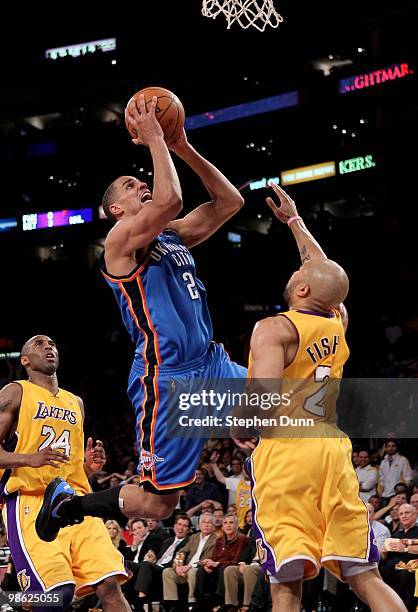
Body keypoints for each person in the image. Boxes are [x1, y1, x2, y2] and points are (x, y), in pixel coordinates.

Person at [36, 93, 246, 543]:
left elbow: (229, 202)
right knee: (159, 505)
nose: (141, 185)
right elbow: (170, 197)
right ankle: (70, 504)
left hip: (211, 363)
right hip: (166, 378)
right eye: (131, 185)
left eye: (140, 182)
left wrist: (182, 144)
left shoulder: (171, 235)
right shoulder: (119, 241)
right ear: (116, 209)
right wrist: (156, 140)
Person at [234, 184, 407, 612]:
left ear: (305, 291)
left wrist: (239, 424)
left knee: (286, 581)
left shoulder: (274, 329)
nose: (296, 271)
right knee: (362, 575)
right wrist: (295, 221)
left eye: (299, 275)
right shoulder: (338, 320)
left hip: (289, 451)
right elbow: (323, 269)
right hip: (332, 447)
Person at [0, 335, 130, 612]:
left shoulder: (76, 403)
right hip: (30, 502)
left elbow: (66, 469)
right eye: (39, 344)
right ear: (24, 360)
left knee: (109, 586)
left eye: (52, 344)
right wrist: (29, 459)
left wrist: (88, 469)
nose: (49, 347)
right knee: (56, 596)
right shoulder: (15, 392)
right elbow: (34, 460)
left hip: (76, 503)